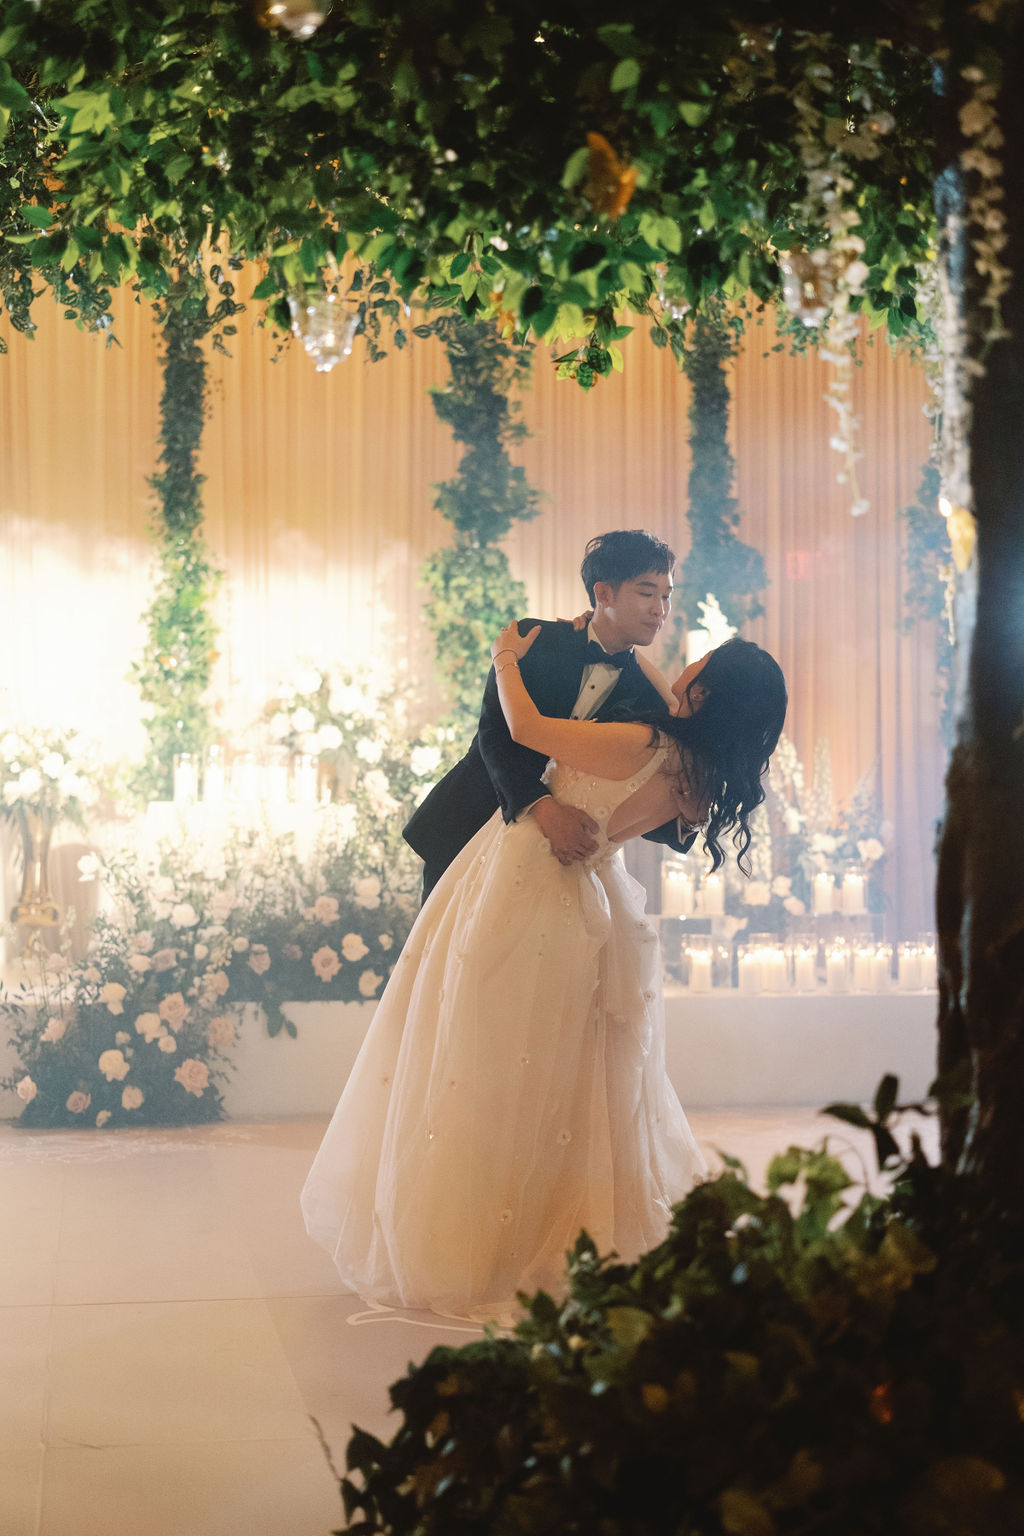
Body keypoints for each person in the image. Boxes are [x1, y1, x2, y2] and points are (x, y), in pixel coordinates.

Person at [301, 620, 788, 1325]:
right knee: (573, 1077)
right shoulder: (693, 773)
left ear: (706, 688)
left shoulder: (640, 742)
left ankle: (481, 1247)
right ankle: (559, 1238)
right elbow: (664, 692)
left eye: (697, 663)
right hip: (594, 896)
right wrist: (629, 641)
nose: (678, 664)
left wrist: (503, 654)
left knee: (485, 1061)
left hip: (528, 887)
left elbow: (524, 727)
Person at [403, 530, 698, 899]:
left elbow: (633, 794)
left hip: (557, 864)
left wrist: (688, 818)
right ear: (603, 593)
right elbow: (494, 735)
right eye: (646, 592)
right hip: (470, 823)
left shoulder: (650, 697)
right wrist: (542, 808)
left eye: (667, 595)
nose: (661, 609)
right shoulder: (532, 639)